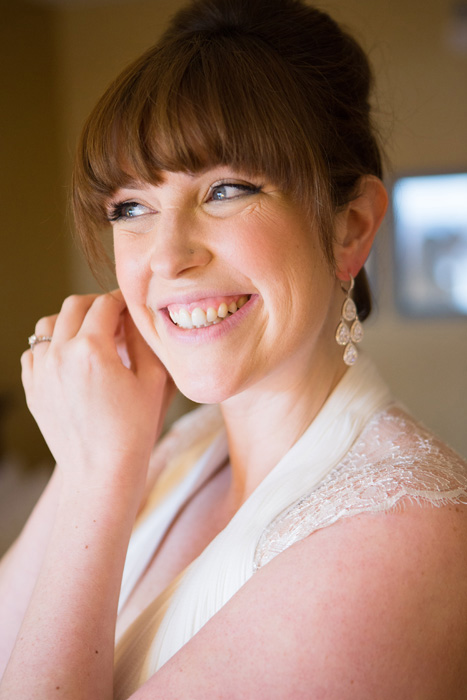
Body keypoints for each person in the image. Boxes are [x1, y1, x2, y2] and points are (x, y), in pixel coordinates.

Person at [1, 0, 467, 697]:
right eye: (131, 206)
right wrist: (92, 460)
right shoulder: (184, 449)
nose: (167, 257)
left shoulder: (402, 538)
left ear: (350, 228)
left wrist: (97, 473)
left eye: (225, 190)